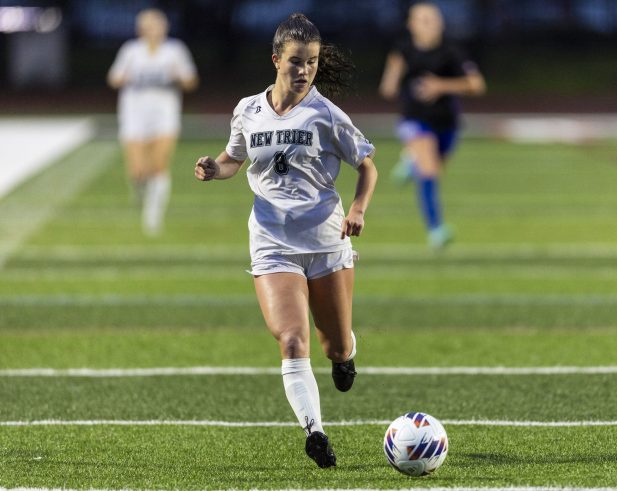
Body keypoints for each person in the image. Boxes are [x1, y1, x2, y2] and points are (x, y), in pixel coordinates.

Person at [194, 13, 378, 468]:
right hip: (272, 242)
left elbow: (368, 166)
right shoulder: (247, 110)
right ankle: (314, 431)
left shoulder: (326, 114)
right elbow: (235, 157)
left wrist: (357, 209)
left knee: (333, 343)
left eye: (312, 63)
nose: (305, 71)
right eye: (296, 61)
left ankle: (345, 354)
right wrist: (215, 169)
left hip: (325, 242)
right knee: (293, 340)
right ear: (276, 59)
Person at [379, 1, 485, 249]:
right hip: (414, 121)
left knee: (434, 168)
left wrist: (441, 85)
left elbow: (477, 85)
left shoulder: (452, 51)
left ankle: (410, 161)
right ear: (411, 25)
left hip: (447, 123)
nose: (431, 25)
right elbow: (387, 89)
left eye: (435, 19)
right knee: (429, 172)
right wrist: (395, 75)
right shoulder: (402, 51)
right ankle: (436, 229)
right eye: (424, 20)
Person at [107, 8, 199, 236]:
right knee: (137, 171)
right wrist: (132, 77)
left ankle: (153, 217)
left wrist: (178, 76)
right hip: (134, 114)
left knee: (159, 166)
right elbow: (114, 78)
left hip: (164, 115)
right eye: (148, 26)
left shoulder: (175, 50)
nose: (153, 31)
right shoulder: (131, 51)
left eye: (157, 26)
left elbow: (191, 81)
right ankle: (141, 194)